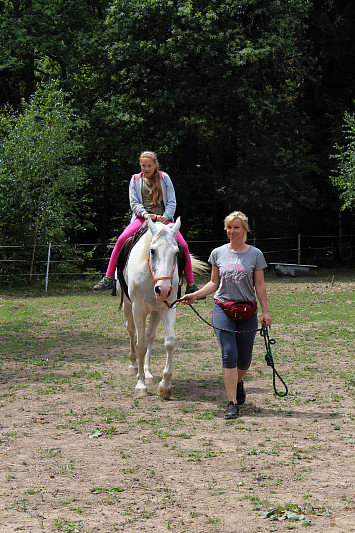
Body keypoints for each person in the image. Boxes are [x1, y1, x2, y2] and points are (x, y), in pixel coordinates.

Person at [180, 211, 271, 419]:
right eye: (229, 227)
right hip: (223, 308)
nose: (232, 231)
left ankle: (238, 382)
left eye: (236, 227)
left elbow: (260, 285)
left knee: (244, 360)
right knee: (229, 354)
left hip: (247, 309)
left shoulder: (255, 254)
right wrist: (195, 295)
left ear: (245, 230)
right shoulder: (218, 253)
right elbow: (214, 283)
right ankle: (232, 403)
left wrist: (266, 312)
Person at [93, 151, 200, 294]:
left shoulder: (165, 178)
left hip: (164, 219)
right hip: (143, 219)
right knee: (121, 240)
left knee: (184, 245)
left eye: (149, 165)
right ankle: (108, 277)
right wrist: (145, 214)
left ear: (156, 165)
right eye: (143, 165)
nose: (146, 168)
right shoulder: (135, 179)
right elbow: (134, 203)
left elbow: (172, 202)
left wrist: (165, 216)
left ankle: (191, 283)